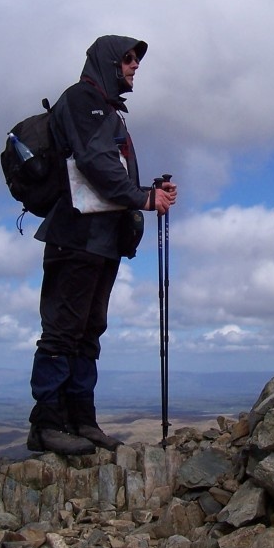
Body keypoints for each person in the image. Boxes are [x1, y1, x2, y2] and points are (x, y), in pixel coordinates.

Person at [27, 34, 177, 455]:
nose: (135, 67)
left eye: (135, 60)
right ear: (108, 64)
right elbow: (95, 162)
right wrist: (144, 198)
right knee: (62, 331)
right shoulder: (82, 100)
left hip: (99, 241)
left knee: (88, 332)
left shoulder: (108, 111)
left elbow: (104, 174)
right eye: (127, 60)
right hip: (74, 238)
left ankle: (81, 421)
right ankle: (46, 424)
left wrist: (148, 190)